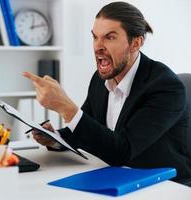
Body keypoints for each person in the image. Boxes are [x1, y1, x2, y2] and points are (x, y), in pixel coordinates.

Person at [23, 1, 191, 185]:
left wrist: (65, 106)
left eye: (109, 37)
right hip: (120, 178)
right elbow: (88, 128)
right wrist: (55, 138)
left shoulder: (166, 88)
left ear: (136, 43)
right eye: (95, 37)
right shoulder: (101, 78)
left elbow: (122, 152)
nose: (98, 46)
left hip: (164, 186)